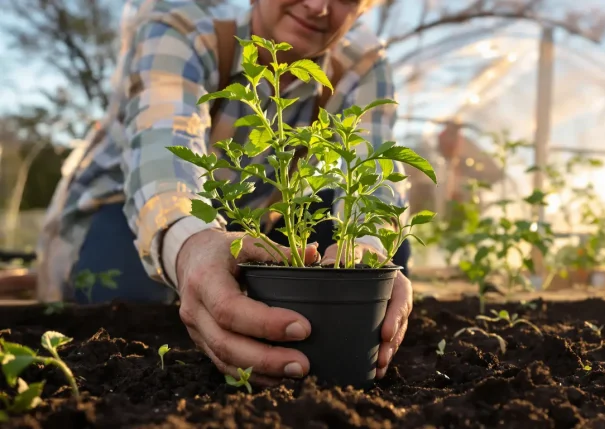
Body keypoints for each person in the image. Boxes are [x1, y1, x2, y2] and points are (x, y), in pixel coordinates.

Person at [36, 0, 413, 384]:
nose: (317, 6)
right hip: (128, 208)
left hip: (249, 221)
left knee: (377, 259)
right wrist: (191, 246)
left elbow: (374, 166)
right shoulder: (183, 26)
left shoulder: (361, 63)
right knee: (125, 311)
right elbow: (163, 155)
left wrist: (372, 249)